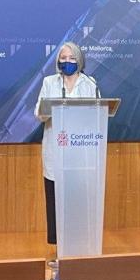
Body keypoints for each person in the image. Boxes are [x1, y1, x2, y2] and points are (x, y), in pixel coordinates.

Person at [34, 42, 98, 248]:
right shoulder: (49, 82)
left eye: (72, 58)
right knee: (55, 202)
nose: (67, 61)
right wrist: (50, 108)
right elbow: (39, 114)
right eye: (63, 58)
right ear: (58, 60)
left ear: (79, 60)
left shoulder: (90, 83)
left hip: (79, 153)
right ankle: (58, 250)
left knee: (77, 201)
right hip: (55, 151)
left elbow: (96, 115)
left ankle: (78, 246)